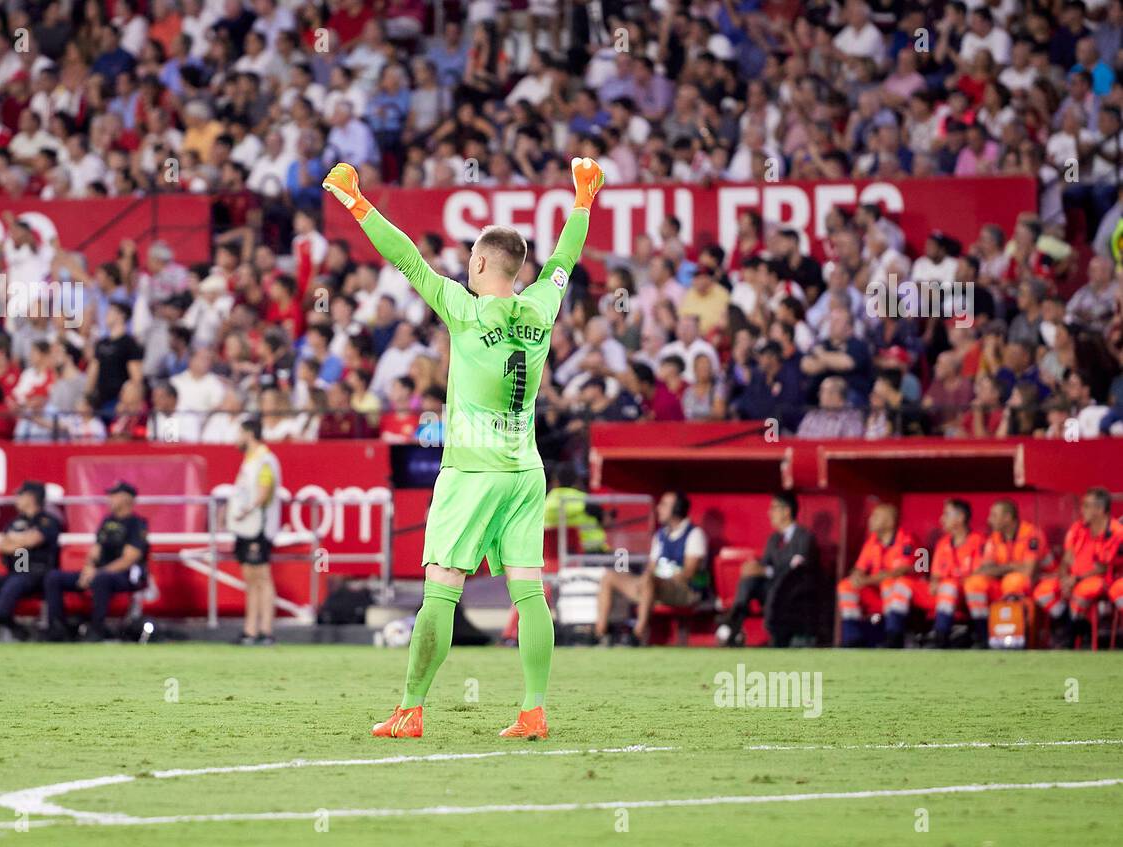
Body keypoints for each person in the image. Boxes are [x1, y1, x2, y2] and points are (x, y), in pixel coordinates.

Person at [323, 156, 604, 739]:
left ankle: (410, 710)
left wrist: (356, 201)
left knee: (441, 589)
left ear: (478, 263)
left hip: (471, 471)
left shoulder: (465, 310)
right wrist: (583, 200)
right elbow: (564, 259)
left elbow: (406, 258)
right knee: (529, 593)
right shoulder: (543, 305)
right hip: (525, 470)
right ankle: (532, 710)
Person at [595, 490, 709, 646]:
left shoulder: (694, 534)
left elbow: (689, 573)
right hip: (654, 587)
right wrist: (643, 581)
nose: (658, 509)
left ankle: (637, 635)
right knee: (610, 576)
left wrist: (656, 580)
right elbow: (651, 567)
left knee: (649, 580)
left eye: (664, 505)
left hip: (685, 591)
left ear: (677, 509)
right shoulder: (660, 535)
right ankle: (600, 634)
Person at [43, 481, 149, 642]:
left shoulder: (137, 524)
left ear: (126, 498)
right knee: (54, 577)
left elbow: (128, 559)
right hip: (99, 572)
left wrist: (97, 573)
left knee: (101, 579)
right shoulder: (107, 522)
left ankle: (96, 629)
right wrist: (88, 570)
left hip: (125, 576)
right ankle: (57, 628)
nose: (109, 499)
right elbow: (95, 551)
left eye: (113, 495)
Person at [715, 491, 818, 647]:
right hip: (772, 588)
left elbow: (797, 570)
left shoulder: (804, 537)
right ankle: (733, 622)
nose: (769, 513)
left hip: (793, 593)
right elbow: (765, 564)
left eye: (773, 508)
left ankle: (773, 637)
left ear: (786, 511)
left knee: (778, 589)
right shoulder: (774, 539)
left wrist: (765, 571)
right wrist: (754, 568)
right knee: (749, 580)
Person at [885, 498, 985, 648]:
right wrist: (934, 582)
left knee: (949, 586)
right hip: (942, 594)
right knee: (902, 584)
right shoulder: (943, 543)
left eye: (946, 514)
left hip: (964, 596)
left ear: (960, 517)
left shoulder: (978, 540)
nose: (941, 519)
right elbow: (936, 574)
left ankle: (940, 637)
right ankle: (893, 636)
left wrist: (948, 582)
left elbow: (979, 574)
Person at [0, 481, 62, 641]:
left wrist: (14, 539)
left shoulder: (48, 521)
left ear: (31, 497)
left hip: (38, 572)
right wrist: (21, 541)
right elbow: (2, 545)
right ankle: (9, 624)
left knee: (15, 582)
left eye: (20, 495)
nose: (16, 499)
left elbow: (33, 540)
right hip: (17, 569)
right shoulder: (15, 522)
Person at [1033, 488, 1123, 648]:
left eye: (1086, 505)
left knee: (1082, 590)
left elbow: (1103, 567)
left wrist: (1075, 579)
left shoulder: (1116, 531)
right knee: (1042, 591)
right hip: (1073, 579)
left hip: (1102, 579)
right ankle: (1073, 626)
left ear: (1100, 509)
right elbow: (1067, 559)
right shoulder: (1078, 528)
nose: (1082, 510)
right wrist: (1064, 579)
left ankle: (1072, 635)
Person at [962, 499, 1050, 648]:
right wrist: (1011, 566)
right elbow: (984, 569)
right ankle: (985, 637)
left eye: (994, 515)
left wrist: (1001, 569)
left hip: (1037, 584)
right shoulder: (995, 537)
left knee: (1013, 580)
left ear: (1008, 518)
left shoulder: (1031, 534)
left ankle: (1016, 637)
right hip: (1004, 587)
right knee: (974, 583)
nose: (989, 520)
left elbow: (1028, 571)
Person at [228, 418, 282, 647]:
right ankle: (250, 629)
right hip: (245, 526)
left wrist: (247, 510)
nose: (236, 439)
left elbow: (264, 491)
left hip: (258, 526)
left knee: (262, 576)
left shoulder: (264, 459)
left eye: (239, 433)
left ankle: (266, 630)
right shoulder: (250, 460)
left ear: (249, 434)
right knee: (250, 578)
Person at [836, 503, 920, 647]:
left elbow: (899, 572)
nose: (870, 520)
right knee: (846, 585)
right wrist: (856, 577)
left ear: (890, 521)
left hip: (904, 599)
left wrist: (866, 580)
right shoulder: (872, 541)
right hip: (878, 595)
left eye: (875, 516)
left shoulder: (907, 539)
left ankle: (893, 636)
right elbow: (860, 568)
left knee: (890, 583)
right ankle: (852, 638)